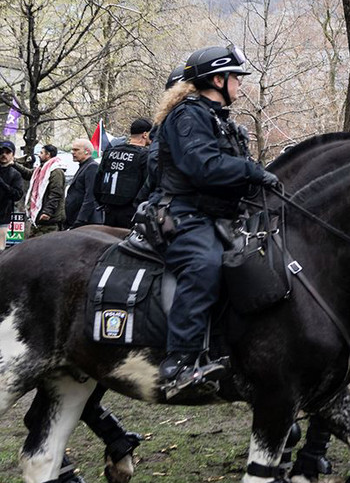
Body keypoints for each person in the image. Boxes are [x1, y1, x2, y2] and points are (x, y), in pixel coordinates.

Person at [155, 45, 281, 399]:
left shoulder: (217, 117)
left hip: (221, 215)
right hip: (186, 215)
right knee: (205, 265)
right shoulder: (187, 115)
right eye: (236, 78)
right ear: (217, 79)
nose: (240, 85)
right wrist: (252, 171)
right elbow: (203, 167)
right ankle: (180, 363)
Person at [96, 118, 153, 229]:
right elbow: (148, 185)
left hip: (108, 210)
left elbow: (98, 179)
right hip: (131, 212)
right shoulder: (145, 155)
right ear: (145, 134)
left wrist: (103, 202)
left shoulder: (110, 152)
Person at [25, 143, 65, 237]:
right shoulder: (40, 170)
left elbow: (55, 193)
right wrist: (14, 163)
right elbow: (27, 174)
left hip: (49, 221)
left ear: (48, 155)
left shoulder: (56, 171)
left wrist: (47, 212)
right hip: (39, 219)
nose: (39, 155)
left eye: (41, 153)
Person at [64, 139, 102, 228]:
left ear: (87, 151)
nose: (72, 152)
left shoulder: (92, 167)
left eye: (76, 150)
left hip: (87, 222)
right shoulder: (84, 166)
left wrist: (80, 220)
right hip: (77, 220)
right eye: (72, 150)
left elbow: (90, 196)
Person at [0, 140, 30, 246]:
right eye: (1, 152)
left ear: (12, 155)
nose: (3, 155)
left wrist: (3, 184)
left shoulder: (15, 174)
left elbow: (17, 195)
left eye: (7, 152)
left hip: (3, 218)